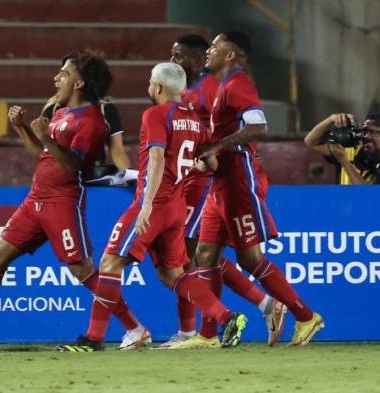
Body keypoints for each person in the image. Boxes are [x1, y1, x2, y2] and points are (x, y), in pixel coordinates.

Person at [0, 50, 150, 350]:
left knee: (82, 270)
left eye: (64, 74)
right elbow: (44, 156)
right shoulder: (59, 112)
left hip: (62, 202)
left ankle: (135, 328)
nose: (57, 78)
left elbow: (73, 166)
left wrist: (46, 138)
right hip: (36, 199)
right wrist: (22, 129)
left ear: (80, 84)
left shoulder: (93, 122)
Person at [57, 62, 247, 352]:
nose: (148, 87)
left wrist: (145, 205)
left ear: (158, 87)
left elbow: (156, 159)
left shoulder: (155, 114)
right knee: (171, 274)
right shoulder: (196, 120)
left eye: (149, 82)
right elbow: (212, 162)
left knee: (110, 263)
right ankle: (226, 316)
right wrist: (187, 167)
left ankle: (93, 338)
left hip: (155, 203)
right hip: (177, 205)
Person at [194, 31, 323, 347]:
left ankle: (306, 317)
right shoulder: (221, 86)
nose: (209, 50)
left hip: (238, 181)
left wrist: (216, 147)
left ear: (231, 54)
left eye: (215, 45)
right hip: (220, 182)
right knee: (204, 254)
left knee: (249, 258)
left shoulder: (239, 84)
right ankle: (208, 336)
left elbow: (258, 126)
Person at [161, 34, 285, 349]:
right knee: (199, 255)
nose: (175, 62)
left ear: (200, 55)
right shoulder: (190, 90)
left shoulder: (213, 87)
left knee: (191, 255)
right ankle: (252, 308)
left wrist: (221, 154)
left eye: (180, 55)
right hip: (193, 177)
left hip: (208, 181)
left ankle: (200, 330)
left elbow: (235, 130)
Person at [42, 96, 131, 171]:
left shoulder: (105, 108)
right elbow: (44, 152)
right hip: (59, 175)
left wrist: (132, 180)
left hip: (93, 175)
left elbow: (117, 151)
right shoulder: (53, 109)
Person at [304, 113, 380, 184]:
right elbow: (310, 141)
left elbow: (369, 195)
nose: (366, 136)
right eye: (365, 131)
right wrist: (332, 119)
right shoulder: (352, 151)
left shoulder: (344, 157)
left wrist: (345, 162)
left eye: (372, 132)